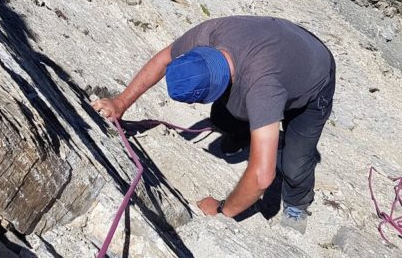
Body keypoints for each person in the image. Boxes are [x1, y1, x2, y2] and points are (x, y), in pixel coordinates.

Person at [92, 15, 335, 231]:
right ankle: (252, 134)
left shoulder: (262, 88)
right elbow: (162, 60)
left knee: (295, 162)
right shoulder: (207, 35)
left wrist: (222, 209)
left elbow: (262, 176)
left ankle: (297, 203)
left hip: (315, 75)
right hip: (282, 41)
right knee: (222, 117)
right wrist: (121, 102)